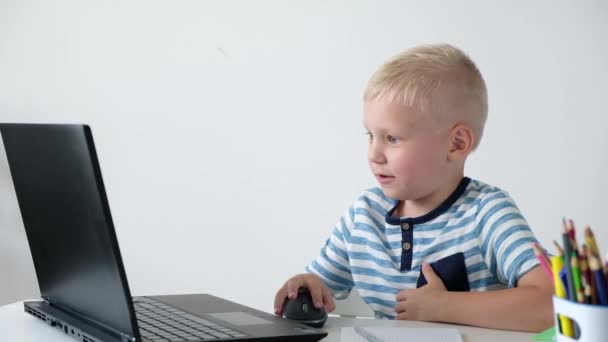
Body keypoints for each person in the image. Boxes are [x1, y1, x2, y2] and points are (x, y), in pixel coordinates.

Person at [273, 43, 553, 332]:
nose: (374, 154)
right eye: (371, 135)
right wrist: (307, 284)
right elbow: (320, 286)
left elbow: (552, 305)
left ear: (456, 144)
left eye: (392, 138)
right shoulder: (364, 215)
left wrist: (443, 306)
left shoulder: (487, 212)